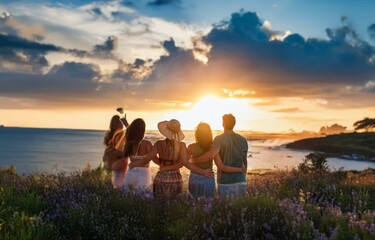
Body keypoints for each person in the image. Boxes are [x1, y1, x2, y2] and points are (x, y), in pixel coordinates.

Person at [130, 119, 211, 198]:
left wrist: (134, 164)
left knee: (159, 204)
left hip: (160, 176)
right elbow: (183, 163)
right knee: (173, 205)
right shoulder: (181, 145)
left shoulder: (159, 144)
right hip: (175, 178)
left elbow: (147, 159)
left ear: (166, 131)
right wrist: (203, 172)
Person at [190, 114, 248, 198]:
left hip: (225, 182)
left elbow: (210, 155)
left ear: (223, 123)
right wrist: (242, 174)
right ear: (234, 124)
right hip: (241, 180)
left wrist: (193, 160)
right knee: (238, 209)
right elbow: (245, 161)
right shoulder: (243, 140)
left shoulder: (219, 139)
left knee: (225, 208)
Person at [122, 118, 153, 191]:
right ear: (143, 130)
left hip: (130, 172)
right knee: (143, 197)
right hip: (144, 174)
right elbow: (152, 158)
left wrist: (127, 125)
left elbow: (131, 133)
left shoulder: (129, 144)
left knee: (127, 196)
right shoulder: (147, 144)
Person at [103, 115, 128, 188]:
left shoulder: (109, 135)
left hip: (111, 163)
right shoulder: (120, 135)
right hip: (119, 162)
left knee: (114, 183)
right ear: (119, 124)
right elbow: (120, 152)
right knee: (119, 185)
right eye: (121, 123)